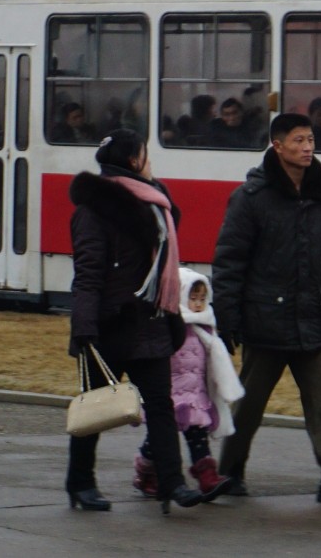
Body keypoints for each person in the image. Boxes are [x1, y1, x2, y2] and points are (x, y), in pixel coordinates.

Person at [212, 112, 321, 504]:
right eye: (298, 141)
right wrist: (227, 319)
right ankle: (230, 471)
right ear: (277, 145)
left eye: (311, 140)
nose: (307, 148)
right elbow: (230, 262)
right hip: (266, 321)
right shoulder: (251, 198)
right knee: (248, 405)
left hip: (318, 319)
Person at [65, 130, 204, 515]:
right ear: (132, 160)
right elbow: (88, 272)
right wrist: (84, 328)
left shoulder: (155, 204)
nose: (150, 158)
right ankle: (80, 482)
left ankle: (173, 483)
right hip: (108, 325)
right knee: (94, 409)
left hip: (151, 320)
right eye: (145, 152)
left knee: (160, 405)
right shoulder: (94, 211)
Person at [133, 269, 242, 504]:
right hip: (171, 394)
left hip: (196, 395)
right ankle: (146, 472)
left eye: (203, 299)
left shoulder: (205, 326)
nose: (198, 305)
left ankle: (207, 476)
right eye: (193, 299)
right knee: (158, 439)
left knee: (197, 435)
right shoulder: (171, 325)